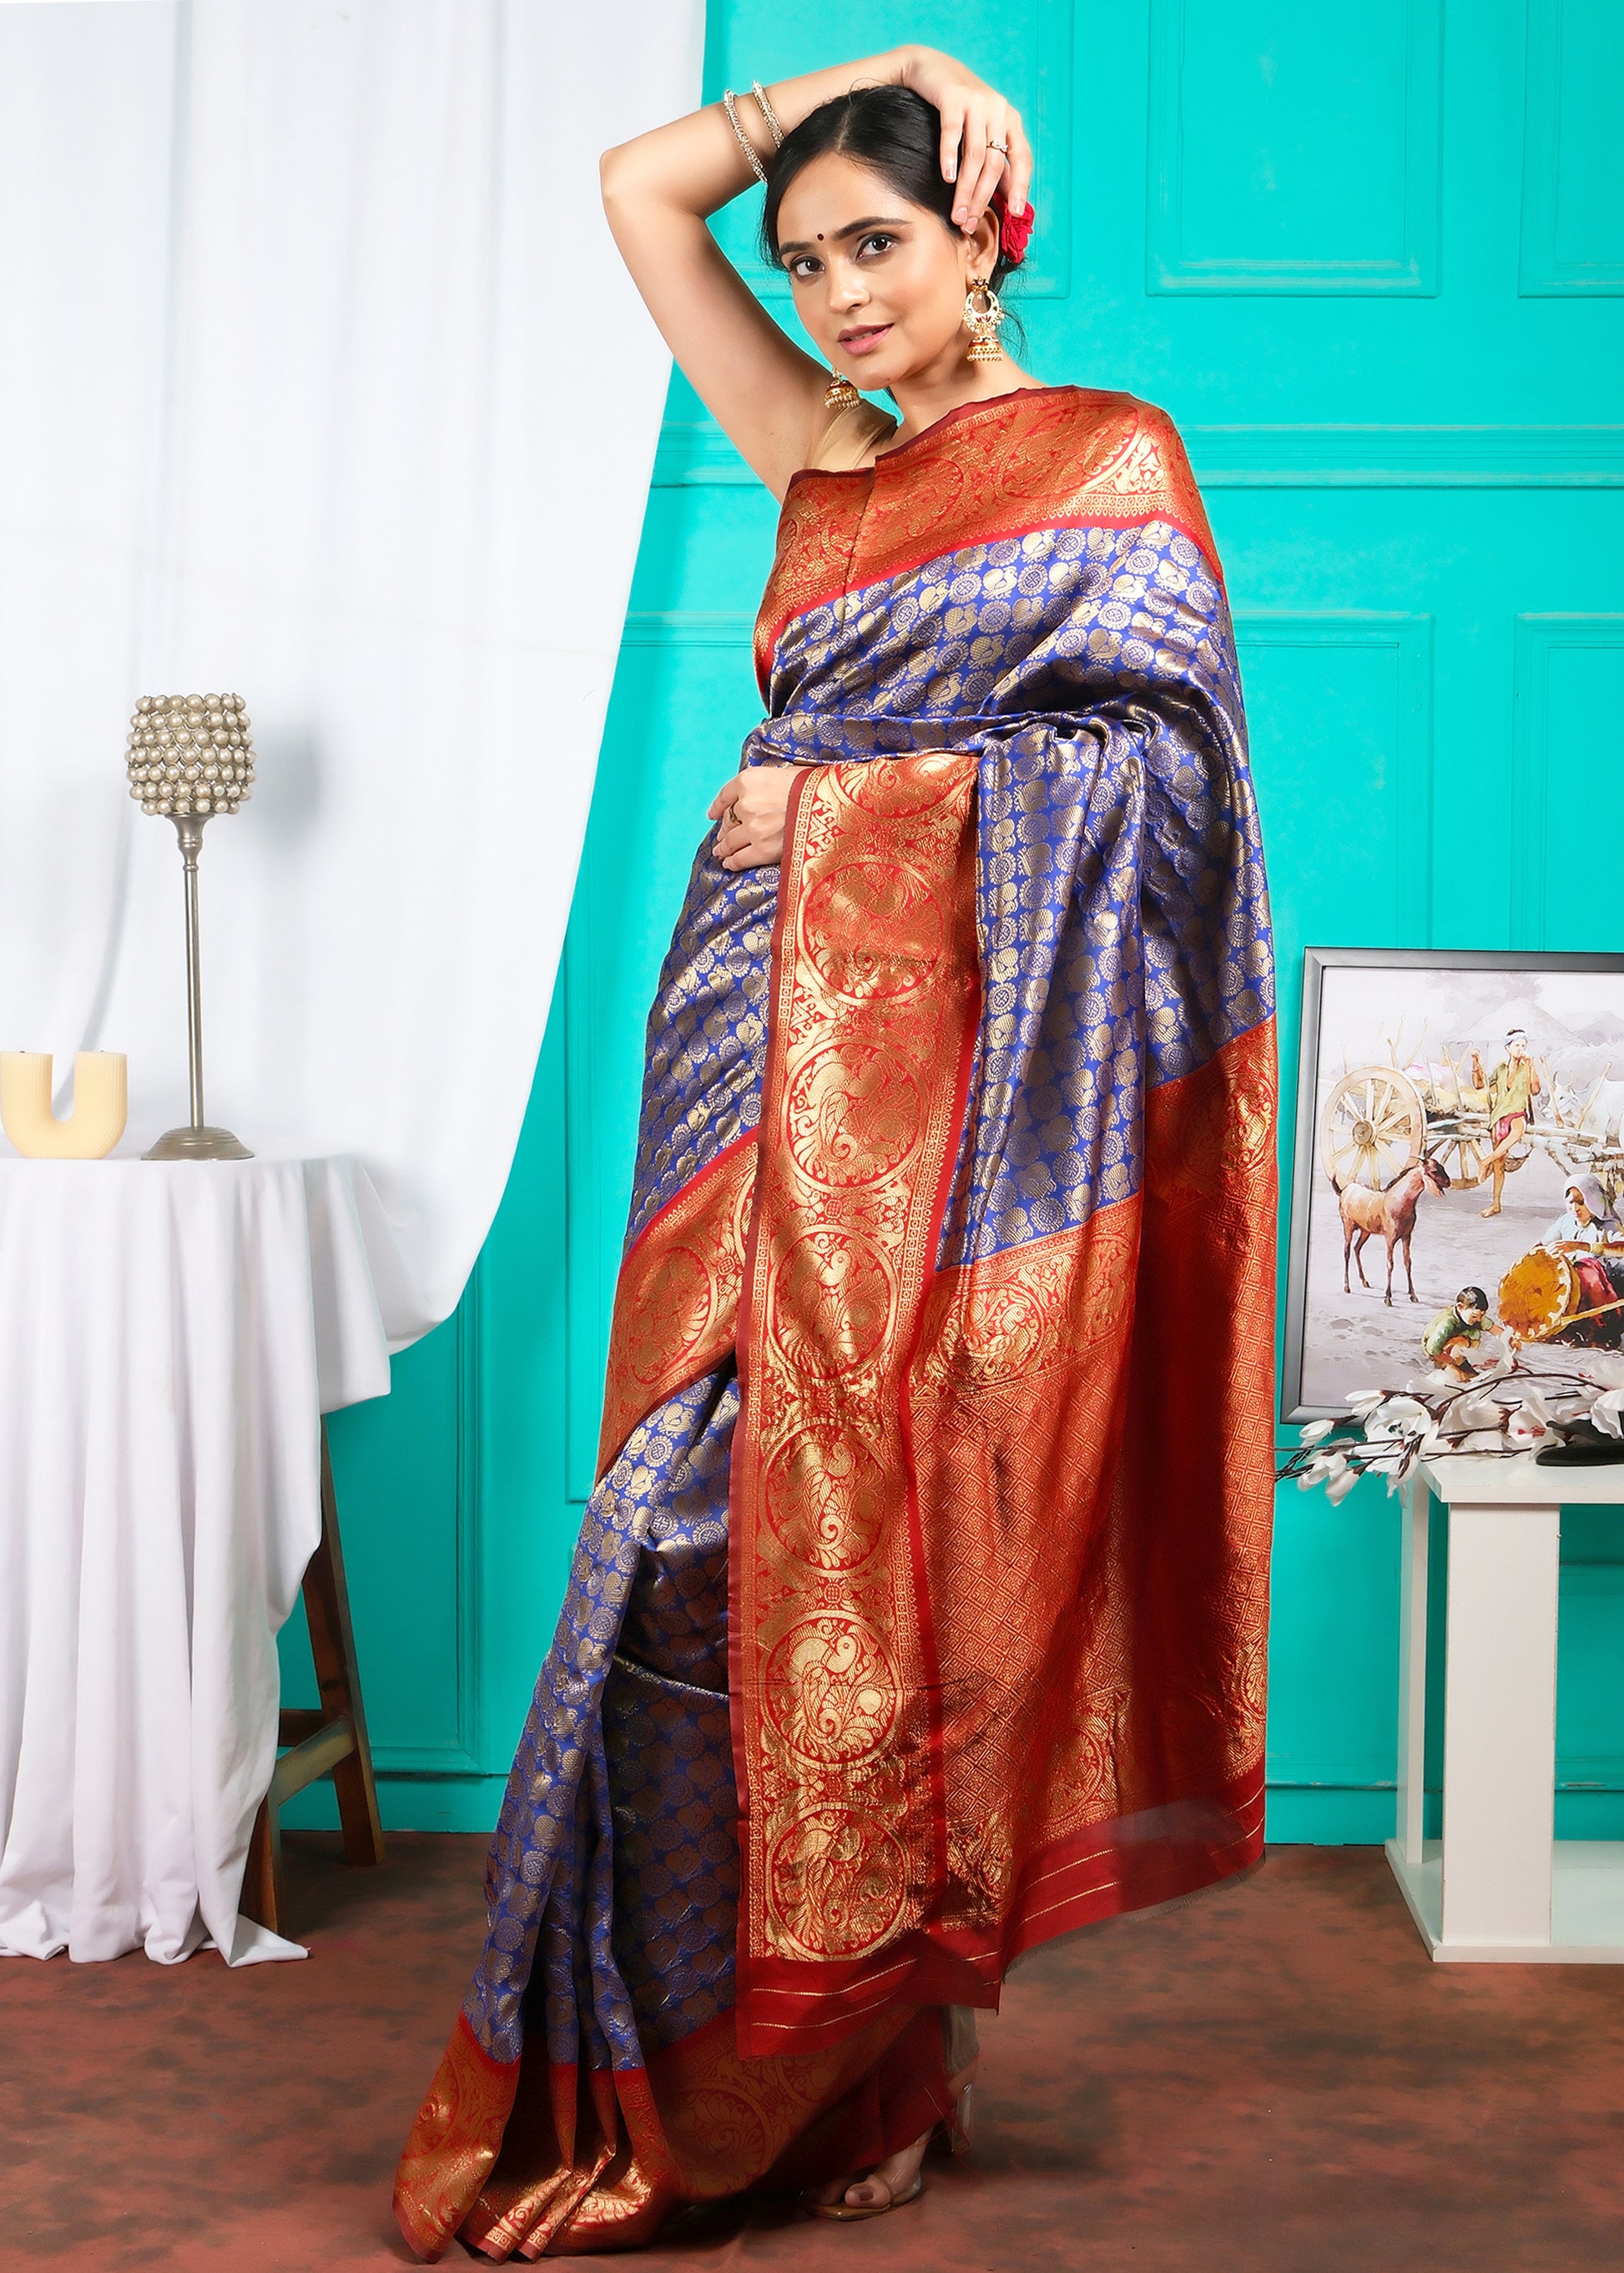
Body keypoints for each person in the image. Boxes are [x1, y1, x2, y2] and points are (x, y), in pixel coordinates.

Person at [393, 45, 1276, 2258]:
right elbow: (631, 190)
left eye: (873, 242)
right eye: (802, 265)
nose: (834, 299)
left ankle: (862, 2042)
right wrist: (879, 70)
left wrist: (858, 804)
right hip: (755, 1083)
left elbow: (1167, 793)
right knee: (691, 1548)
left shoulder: (1106, 461)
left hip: (978, 1117)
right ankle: (791, 2051)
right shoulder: (813, 443)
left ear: (987, 230)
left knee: (908, 1548)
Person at [1470, 1029, 1541, 1219]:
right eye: (1517, 1045)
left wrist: (1532, 1064)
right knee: (1499, 1165)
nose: (1521, 1049)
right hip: (1499, 1117)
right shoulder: (1501, 1068)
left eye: (1523, 1046)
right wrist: (1476, 1062)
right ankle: (1495, 1204)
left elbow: (1535, 1090)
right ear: (1508, 1047)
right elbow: (1480, 1085)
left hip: (1518, 1114)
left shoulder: (1527, 1067)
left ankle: (1485, 1161)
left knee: (1517, 1132)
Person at [1422, 1286, 1490, 1383]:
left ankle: (1460, 1364)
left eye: (1482, 1315)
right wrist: (1450, 1363)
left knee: (1475, 1378)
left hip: (1456, 1350)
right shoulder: (1447, 1324)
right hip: (1439, 1351)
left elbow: (1493, 1328)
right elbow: (1432, 1349)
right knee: (1459, 1378)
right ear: (1460, 1307)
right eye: (1475, 1316)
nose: (1479, 1319)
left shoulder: (1474, 1316)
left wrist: (1511, 1338)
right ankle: (1449, 1367)